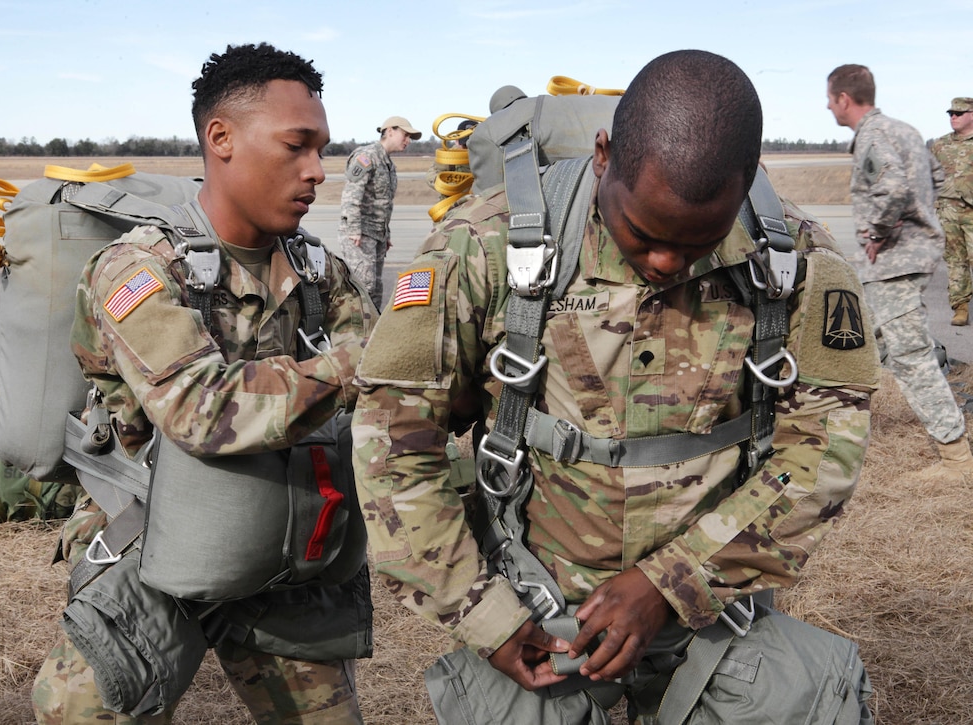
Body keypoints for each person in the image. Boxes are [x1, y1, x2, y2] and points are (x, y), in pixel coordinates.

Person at [354, 50, 877, 722]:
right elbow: (391, 450)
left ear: (750, 180)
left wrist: (674, 581)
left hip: (714, 610)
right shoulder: (484, 247)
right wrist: (484, 614)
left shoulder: (796, 262)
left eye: (697, 244)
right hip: (536, 611)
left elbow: (823, 457)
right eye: (644, 233)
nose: (664, 263)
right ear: (604, 155)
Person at [31, 43, 377, 724]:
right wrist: (349, 367)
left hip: (286, 544)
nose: (317, 172)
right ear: (220, 138)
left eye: (323, 150)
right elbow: (201, 409)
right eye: (296, 146)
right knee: (78, 712)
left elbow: (391, 382)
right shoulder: (139, 270)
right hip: (157, 544)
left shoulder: (319, 272)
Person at [827, 64, 973, 483]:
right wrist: (924, 221)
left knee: (910, 357)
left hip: (896, 262)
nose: (828, 105)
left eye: (829, 98)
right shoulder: (905, 130)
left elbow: (892, 189)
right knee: (866, 336)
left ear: (843, 99)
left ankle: (955, 459)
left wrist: (878, 231)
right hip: (914, 255)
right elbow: (938, 176)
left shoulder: (873, 135)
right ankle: (840, 422)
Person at [338, 115, 422, 308]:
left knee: (375, 289)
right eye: (406, 135)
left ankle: (372, 333)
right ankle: (352, 333)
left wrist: (386, 235)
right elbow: (351, 196)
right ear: (390, 131)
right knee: (363, 286)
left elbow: (383, 203)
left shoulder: (388, 164)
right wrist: (353, 230)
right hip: (360, 235)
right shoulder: (367, 157)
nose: (408, 141)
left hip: (377, 236)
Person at [930, 97, 973, 325]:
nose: (953, 117)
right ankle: (960, 307)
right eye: (950, 114)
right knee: (956, 261)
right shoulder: (940, 145)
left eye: (959, 113)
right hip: (948, 211)